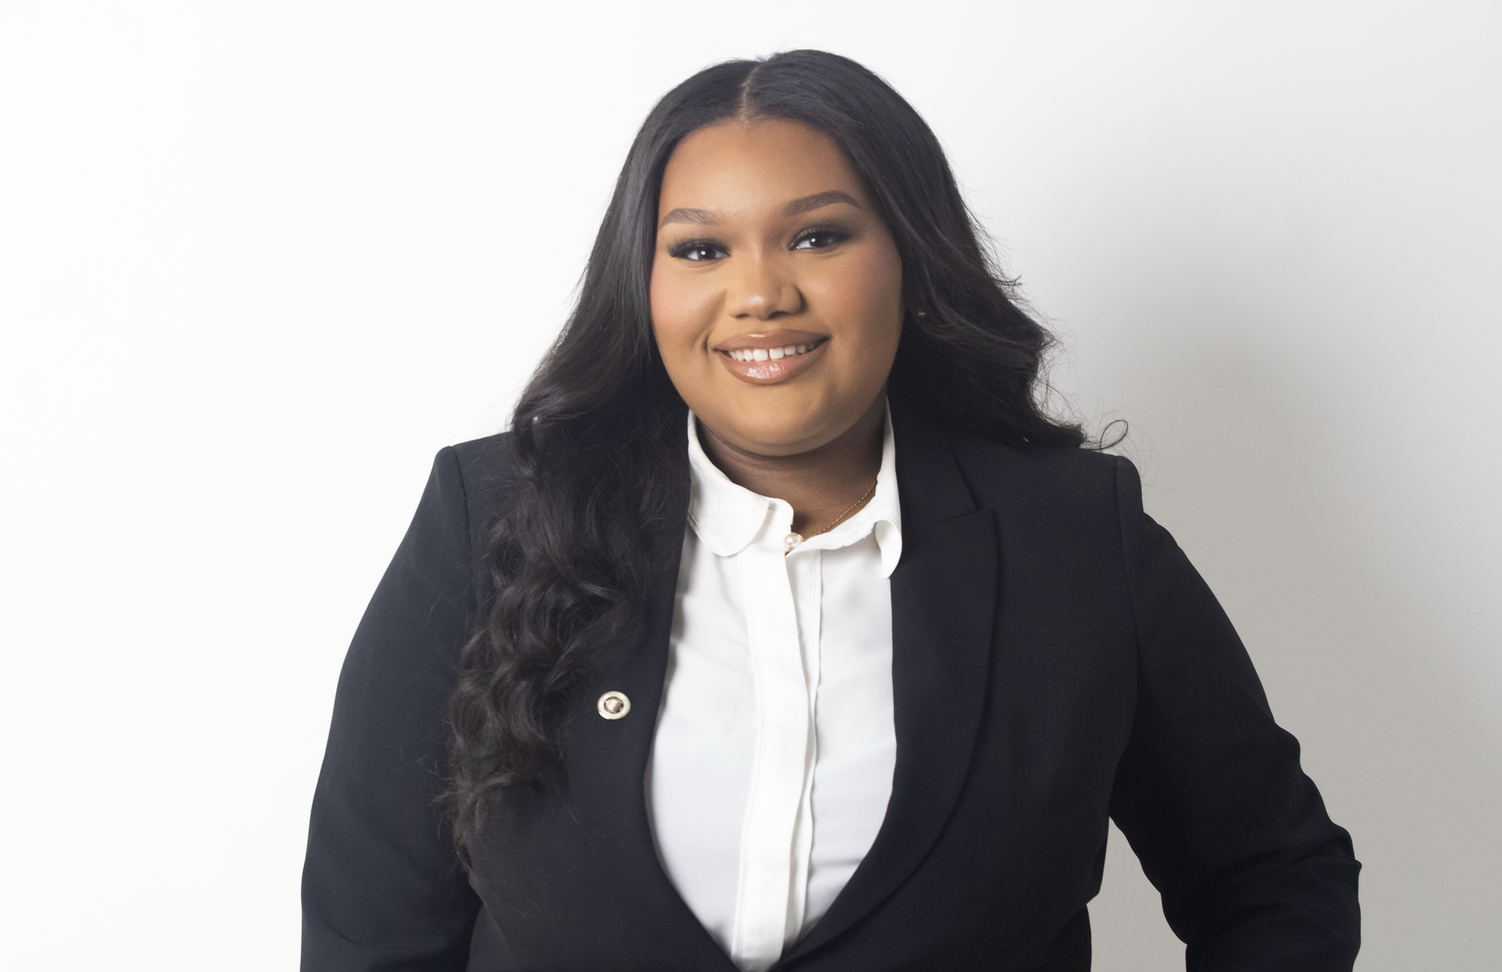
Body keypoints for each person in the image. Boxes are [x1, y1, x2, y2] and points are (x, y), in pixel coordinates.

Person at [301, 50, 1360, 971]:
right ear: (645, 284)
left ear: (909, 258)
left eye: (816, 237)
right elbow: (369, 934)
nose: (760, 294)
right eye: (700, 249)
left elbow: (1273, 879)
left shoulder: (1076, 542)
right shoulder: (490, 520)